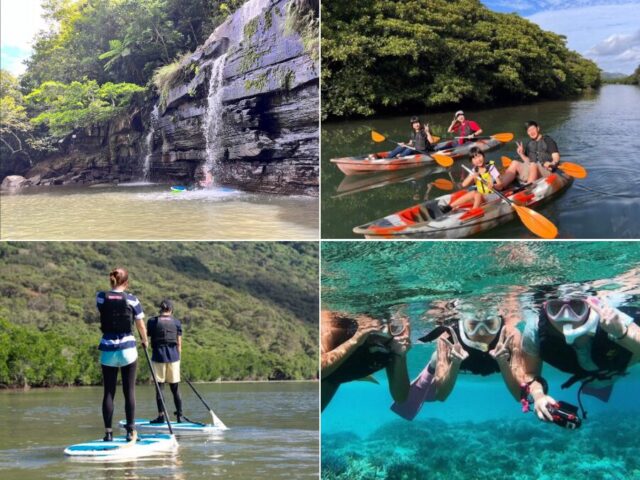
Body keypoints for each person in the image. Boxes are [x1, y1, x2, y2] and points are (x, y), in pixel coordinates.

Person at [391, 305, 524, 420]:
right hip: (459, 361)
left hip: (497, 361)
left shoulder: (510, 335)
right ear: (463, 322)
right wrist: (455, 363)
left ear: (499, 322)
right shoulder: (448, 336)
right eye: (473, 324)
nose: (482, 332)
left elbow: (519, 395)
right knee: (436, 357)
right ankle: (431, 370)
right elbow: (441, 396)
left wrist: (503, 363)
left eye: (490, 324)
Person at [521, 296, 640, 424]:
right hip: (587, 375)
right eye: (555, 307)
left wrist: (622, 332)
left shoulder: (610, 315)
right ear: (545, 306)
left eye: (576, 305)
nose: (566, 316)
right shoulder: (535, 329)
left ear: (588, 304)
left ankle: (599, 384)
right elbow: (530, 373)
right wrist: (538, 396)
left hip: (615, 369)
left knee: (606, 376)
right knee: (597, 381)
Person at [97, 267, 148, 443]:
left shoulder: (100, 297)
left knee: (109, 392)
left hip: (108, 349)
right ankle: (130, 431)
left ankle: (108, 433)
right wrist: (145, 340)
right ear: (126, 283)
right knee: (129, 391)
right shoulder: (133, 300)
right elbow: (140, 325)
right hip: (128, 349)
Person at [321, 311, 411, 411]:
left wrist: (400, 356)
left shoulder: (396, 332)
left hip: (341, 374)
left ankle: (358, 374)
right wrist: (355, 340)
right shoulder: (333, 325)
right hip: (329, 376)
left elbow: (400, 398)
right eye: (378, 324)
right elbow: (318, 372)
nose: (384, 330)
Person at [147, 299, 184, 424]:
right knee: (175, 389)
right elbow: (179, 344)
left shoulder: (152, 321)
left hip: (158, 357)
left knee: (160, 388)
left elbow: (148, 337)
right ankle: (180, 416)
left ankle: (161, 416)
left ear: (160, 309)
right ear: (171, 310)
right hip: (174, 358)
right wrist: (178, 360)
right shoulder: (177, 322)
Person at [499, 121, 560, 188]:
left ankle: (528, 188)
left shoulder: (548, 141)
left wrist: (552, 163)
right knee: (514, 162)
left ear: (538, 128)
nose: (531, 132)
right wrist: (521, 154)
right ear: (527, 133)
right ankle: (500, 185)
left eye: (533, 129)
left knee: (533, 164)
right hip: (533, 170)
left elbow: (556, 157)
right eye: (529, 130)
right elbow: (528, 161)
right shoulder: (529, 144)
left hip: (547, 171)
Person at [443, 148, 500, 212]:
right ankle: (449, 207)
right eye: (474, 158)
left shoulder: (491, 168)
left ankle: (473, 211)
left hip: (492, 195)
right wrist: (473, 176)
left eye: (479, 156)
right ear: (472, 162)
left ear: (483, 156)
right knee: (473, 193)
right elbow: (464, 184)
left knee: (477, 194)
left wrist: (493, 186)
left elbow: (501, 186)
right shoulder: (474, 170)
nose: (478, 160)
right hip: (481, 195)